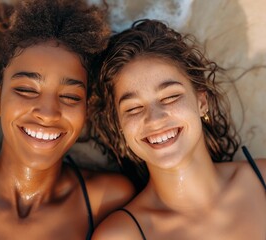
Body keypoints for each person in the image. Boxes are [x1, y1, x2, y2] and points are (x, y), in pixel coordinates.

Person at [0, 0, 135, 239]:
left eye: (69, 96)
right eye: (27, 90)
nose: (47, 113)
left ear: (86, 110)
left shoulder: (109, 200)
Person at [89, 19, 266, 239]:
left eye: (170, 96)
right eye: (133, 108)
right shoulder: (122, 235)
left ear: (201, 102)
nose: (154, 119)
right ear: (120, 127)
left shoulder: (262, 180)